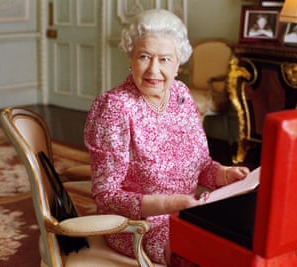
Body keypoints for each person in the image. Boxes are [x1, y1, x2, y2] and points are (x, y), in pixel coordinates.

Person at [84, 9, 250, 265]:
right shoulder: (115, 107)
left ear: (178, 65)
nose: (153, 69)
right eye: (144, 56)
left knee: (244, 240)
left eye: (164, 59)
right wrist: (169, 204)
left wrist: (224, 174)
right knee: (207, 255)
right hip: (139, 226)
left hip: (189, 211)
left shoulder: (181, 95)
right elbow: (107, 195)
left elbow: (202, 166)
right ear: (131, 57)